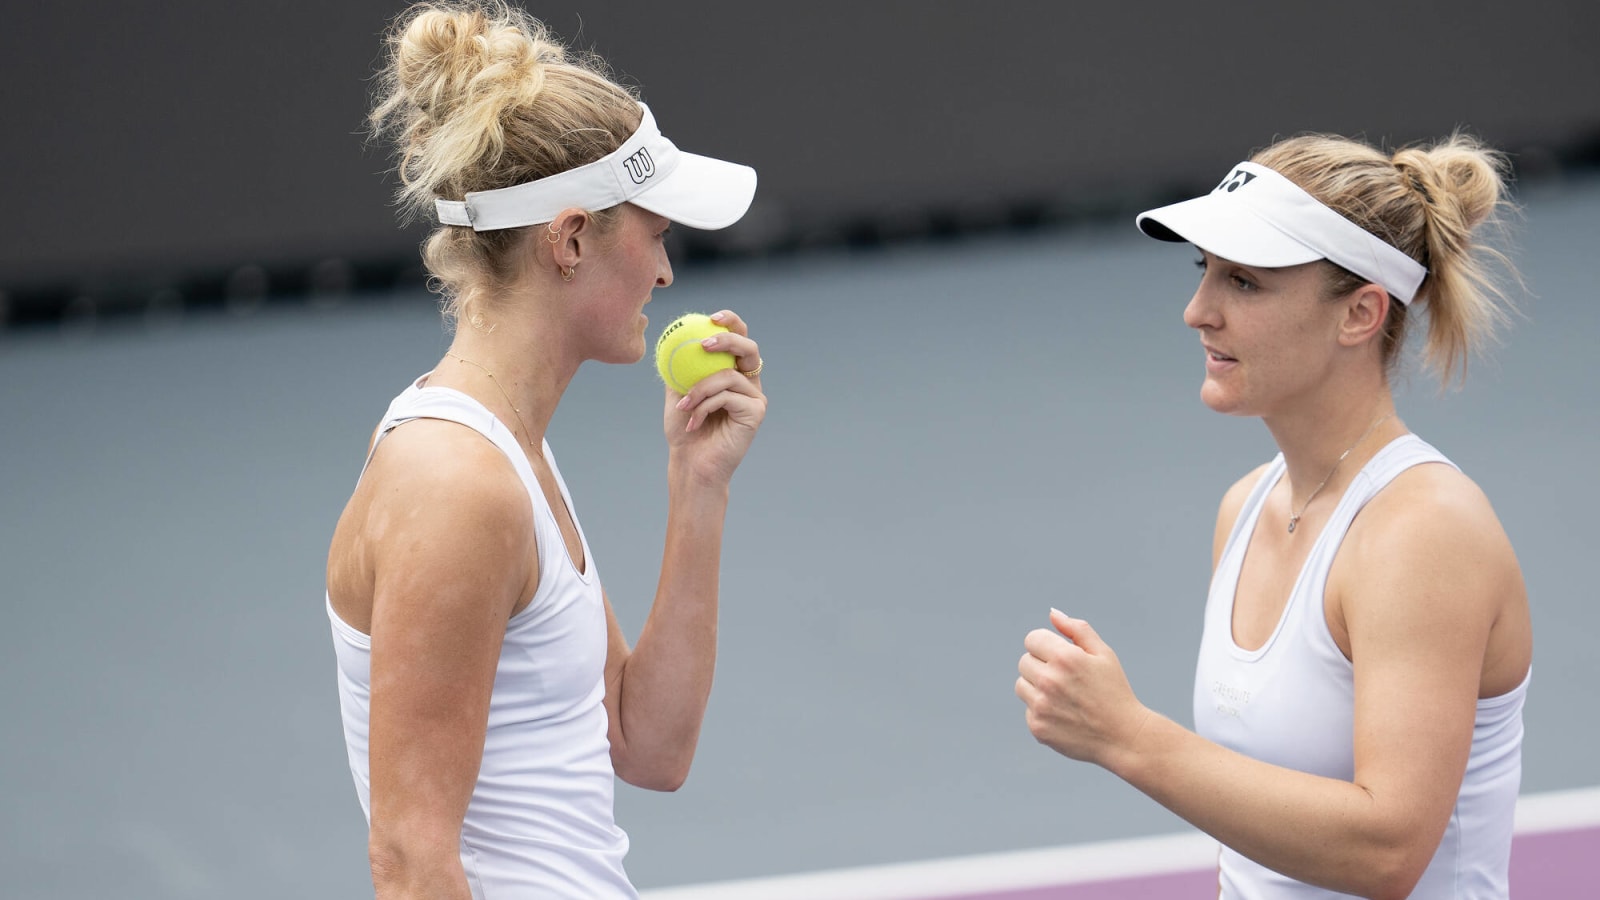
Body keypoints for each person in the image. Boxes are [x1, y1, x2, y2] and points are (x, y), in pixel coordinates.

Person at [1016, 133, 1532, 899]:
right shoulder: (1246, 507)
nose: (1198, 312)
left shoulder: (1422, 533)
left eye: (1245, 284)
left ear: (1359, 314)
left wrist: (1128, 737)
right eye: (1205, 273)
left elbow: (1386, 852)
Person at [325, 3, 765, 897]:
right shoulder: (457, 483)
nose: (667, 273)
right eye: (656, 234)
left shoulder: (512, 456)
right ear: (569, 241)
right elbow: (410, 863)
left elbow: (649, 746)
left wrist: (699, 483)